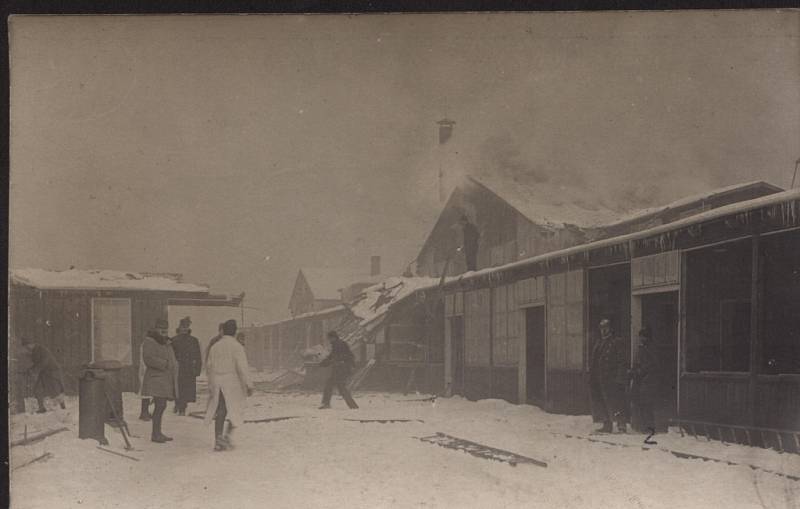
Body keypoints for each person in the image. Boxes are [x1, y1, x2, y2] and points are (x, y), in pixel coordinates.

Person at [204, 319, 254, 451]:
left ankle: (218, 439)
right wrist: (249, 384)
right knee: (236, 409)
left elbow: (209, 367)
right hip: (232, 382)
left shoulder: (215, 347)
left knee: (221, 409)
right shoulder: (237, 346)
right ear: (235, 331)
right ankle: (226, 436)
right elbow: (242, 367)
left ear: (223, 331)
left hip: (217, 382)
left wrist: (211, 384)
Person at [140, 318, 179, 443]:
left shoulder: (165, 342)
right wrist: (165, 364)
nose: (164, 330)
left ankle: (157, 432)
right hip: (156, 379)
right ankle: (155, 434)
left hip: (164, 380)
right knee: (160, 405)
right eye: (161, 328)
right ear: (155, 328)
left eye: (166, 328)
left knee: (161, 406)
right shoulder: (150, 341)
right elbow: (149, 358)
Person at [589, 318, 628, 433]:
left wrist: (620, 377)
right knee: (602, 401)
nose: (603, 330)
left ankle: (621, 425)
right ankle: (607, 424)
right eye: (601, 328)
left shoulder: (616, 342)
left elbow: (622, 361)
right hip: (599, 377)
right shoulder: (599, 342)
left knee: (617, 401)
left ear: (611, 328)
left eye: (606, 327)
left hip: (612, 378)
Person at [21, 336, 66, 413]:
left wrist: (34, 370)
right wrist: (30, 369)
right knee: (37, 389)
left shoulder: (41, 349)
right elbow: (37, 364)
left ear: (31, 344)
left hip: (52, 371)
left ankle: (63, 407)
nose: (26, 348)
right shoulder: (34, 352)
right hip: (44, 372)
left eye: (26, 346)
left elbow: (44, 362)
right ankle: (42, 408)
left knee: (55, 391)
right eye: (25, 346)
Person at [630, 327, 661, 434]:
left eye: (643, 336)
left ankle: (650, 427)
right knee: (641, 403)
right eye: (640, 336)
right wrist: (633, 371)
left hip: (648, 380)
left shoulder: (651, 348)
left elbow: (653, 364)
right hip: (640, 380)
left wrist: (641, 371)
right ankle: (642, 426)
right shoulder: (641, 348)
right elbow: (637, 362)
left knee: (647, 404)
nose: (641, 338)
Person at [318, 331, 359, 410]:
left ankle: (326, 403)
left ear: (333, 337)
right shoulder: (338, 344)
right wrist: (324, 363)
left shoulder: (338, 344)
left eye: (329, 338)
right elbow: (333, 356)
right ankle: (353, 406)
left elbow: (336, 357)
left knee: (332, 385)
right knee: (339, 387)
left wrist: (324, 363)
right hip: (342, 368)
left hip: (341, 368)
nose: (329, 340)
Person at [171, 317, 202, 416]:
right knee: (177, 388)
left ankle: (182, 406)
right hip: (177, 368)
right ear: (179, 327)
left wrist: (197, 369)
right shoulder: (173, 340)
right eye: (182, 327)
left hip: (189, 369)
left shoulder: (193, 340)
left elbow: (198, 356)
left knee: (186, 389)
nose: (184, 329)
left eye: (186, 327)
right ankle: (179, 406)